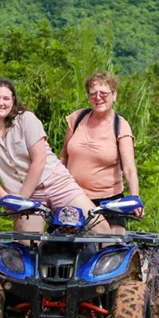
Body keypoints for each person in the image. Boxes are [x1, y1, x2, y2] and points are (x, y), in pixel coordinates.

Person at [0, 77, 110, 235]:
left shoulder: (26, 119)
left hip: (55, 182)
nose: (0, 103)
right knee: (26, 241)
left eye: (6, 98)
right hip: (26, 194)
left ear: (13, 101)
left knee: (100, 228)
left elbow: (39, 160)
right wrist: (8, 201)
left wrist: (21, 198)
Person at [59, 71, 140, 234]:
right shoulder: (77, 118)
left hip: (108, 202)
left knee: (111, 249)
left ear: (114, 95)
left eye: (103, 93)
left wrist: (135, 198)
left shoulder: (121, 125)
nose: (98, 97)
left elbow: (129, 169)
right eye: (93, 94)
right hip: (73, 197)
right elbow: (63, 156)